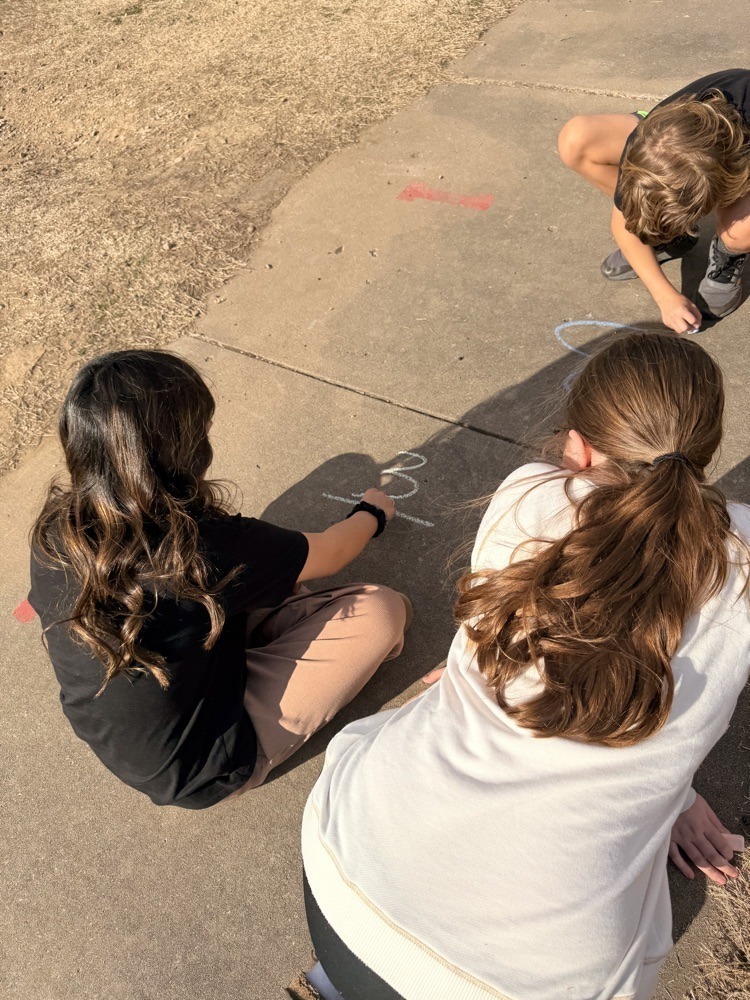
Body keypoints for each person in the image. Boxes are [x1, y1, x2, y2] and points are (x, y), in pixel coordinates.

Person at [298, 332, 748, 1000]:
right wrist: (668, 790)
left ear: (580, 447)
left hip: (340, 871)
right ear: (704, 456)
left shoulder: (528, 494)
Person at [29, 350, 408, 809]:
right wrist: (372, 512)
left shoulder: (56, 529)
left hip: (130, 733)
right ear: (184, 448)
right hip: (203, 764)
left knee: (269, 579)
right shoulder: (201, 548)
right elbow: (334, 551)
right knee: (381, 611)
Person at [558, 69, 750, 334]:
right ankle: (664, 235)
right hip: (694, 140)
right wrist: (665, 296)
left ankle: (730, 256)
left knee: (739, 230)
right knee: (576, 140)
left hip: (738, 157)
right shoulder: (647, 148)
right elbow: (621, 223)